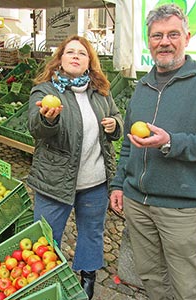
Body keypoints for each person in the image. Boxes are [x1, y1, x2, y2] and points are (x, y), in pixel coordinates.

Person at [109, 4, 196, 300]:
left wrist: (171, 143)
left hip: (181, 209)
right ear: (149, 41)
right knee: (152, 278)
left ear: (187, 38)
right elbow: (128, 143)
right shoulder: (142, 86)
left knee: (185, 287)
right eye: (157, 36)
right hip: (138, 204)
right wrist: (118, 185)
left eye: (172, 34)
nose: (164, 41)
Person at [27, 35, 123, 299]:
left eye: (82, 53)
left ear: (89, 62)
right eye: (70, 52)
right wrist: (48, 120)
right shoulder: (46, 91)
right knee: (46, 238)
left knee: (92, 233)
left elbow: (116, 116)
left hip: (94, 182)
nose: (76, 56)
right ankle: (46, 283)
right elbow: (35, 127)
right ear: (60, 58)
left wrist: (116, 125)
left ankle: (88, 277)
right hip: (55, 182)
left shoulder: (101, 91)